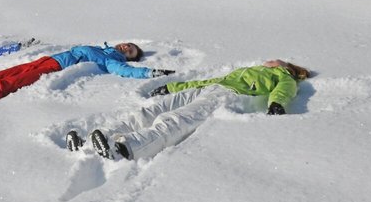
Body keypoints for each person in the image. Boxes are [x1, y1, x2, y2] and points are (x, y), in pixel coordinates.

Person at [66, 59, 311, 161]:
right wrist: (171, 88)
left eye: (275, 60)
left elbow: (284, 91)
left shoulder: (284, 76)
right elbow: (205, 81)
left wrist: (276, 104)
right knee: (149, 111)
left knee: (175, 120)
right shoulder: (248, 70)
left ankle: (125, 149)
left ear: (285, 66)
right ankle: (92, 142)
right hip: (210, 88)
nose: (270, 61)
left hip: (229, 96)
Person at [0, 42, 175, 115]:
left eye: (130, 50)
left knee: (5, 85)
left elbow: (125, 72)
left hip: (54, 69)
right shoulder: (102, 49)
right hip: (47, 60)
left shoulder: (112, 61)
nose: (126, 47)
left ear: (128, 57)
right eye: (127, 44)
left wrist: (150, 72)